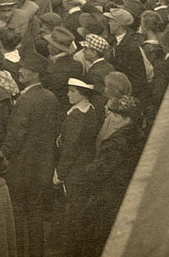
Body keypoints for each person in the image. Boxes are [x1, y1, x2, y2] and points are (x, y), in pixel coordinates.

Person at [1, 53, 60, 257]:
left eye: (24, 69)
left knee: (17, 212)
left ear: (35, 74)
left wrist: (3, 157)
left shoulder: (26, 100)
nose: (20, 71)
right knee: (35, 211)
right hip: (42, 167)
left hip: (20, 169)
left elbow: (15, 136)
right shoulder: (50, 97)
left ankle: (18, 252)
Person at [74, 95, 144, 257]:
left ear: (125, 119)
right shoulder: (139, 136)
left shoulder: (117, 142)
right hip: (124, 198)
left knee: (95, 242)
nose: (110, 118)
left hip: (106, 199)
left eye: (114, 115)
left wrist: (85, 171)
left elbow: (100, 171)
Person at [53, 78, 101, 257]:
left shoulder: (76, 116)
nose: (68, 94)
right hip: (85, 167)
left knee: (72, 215)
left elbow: (70, 149)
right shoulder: (90, 111)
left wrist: (59, 173)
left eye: (73, 91)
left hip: (73, 171)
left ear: (83, 94)